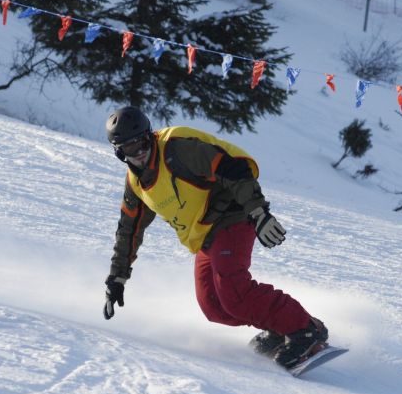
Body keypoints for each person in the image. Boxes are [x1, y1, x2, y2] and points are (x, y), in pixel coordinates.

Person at [101, 106, 328, 369]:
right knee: (213, 307)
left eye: (142, 142)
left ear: (149, 135)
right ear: (119, 153)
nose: (140, 153)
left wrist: (259, 213)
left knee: (233, 291)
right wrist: (117, 277)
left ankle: (305, 329)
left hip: (233, 212)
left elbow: (234, 169)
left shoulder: (177, 147)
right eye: (130, 149)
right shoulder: (136, 185)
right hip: (205, 235)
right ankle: (279, 326)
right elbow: (129, 231)